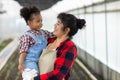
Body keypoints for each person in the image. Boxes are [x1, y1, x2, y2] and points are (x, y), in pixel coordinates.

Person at [31, 13, 86, 80]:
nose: (55, 25)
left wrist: (35, 79)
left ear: (66, 30)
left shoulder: (69, 47)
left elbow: (58, 74)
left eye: (58, 23)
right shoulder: (50, 40)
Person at [18, 6, 54, 80]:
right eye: (38, 21)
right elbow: (23, 51)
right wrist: (21, 64)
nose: (41, 23)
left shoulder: (44, 33)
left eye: (41, 21)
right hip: (29, 64)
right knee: (31, 77)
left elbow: (53, 34)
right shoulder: (27, 36)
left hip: (40, 63)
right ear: (29, 22)